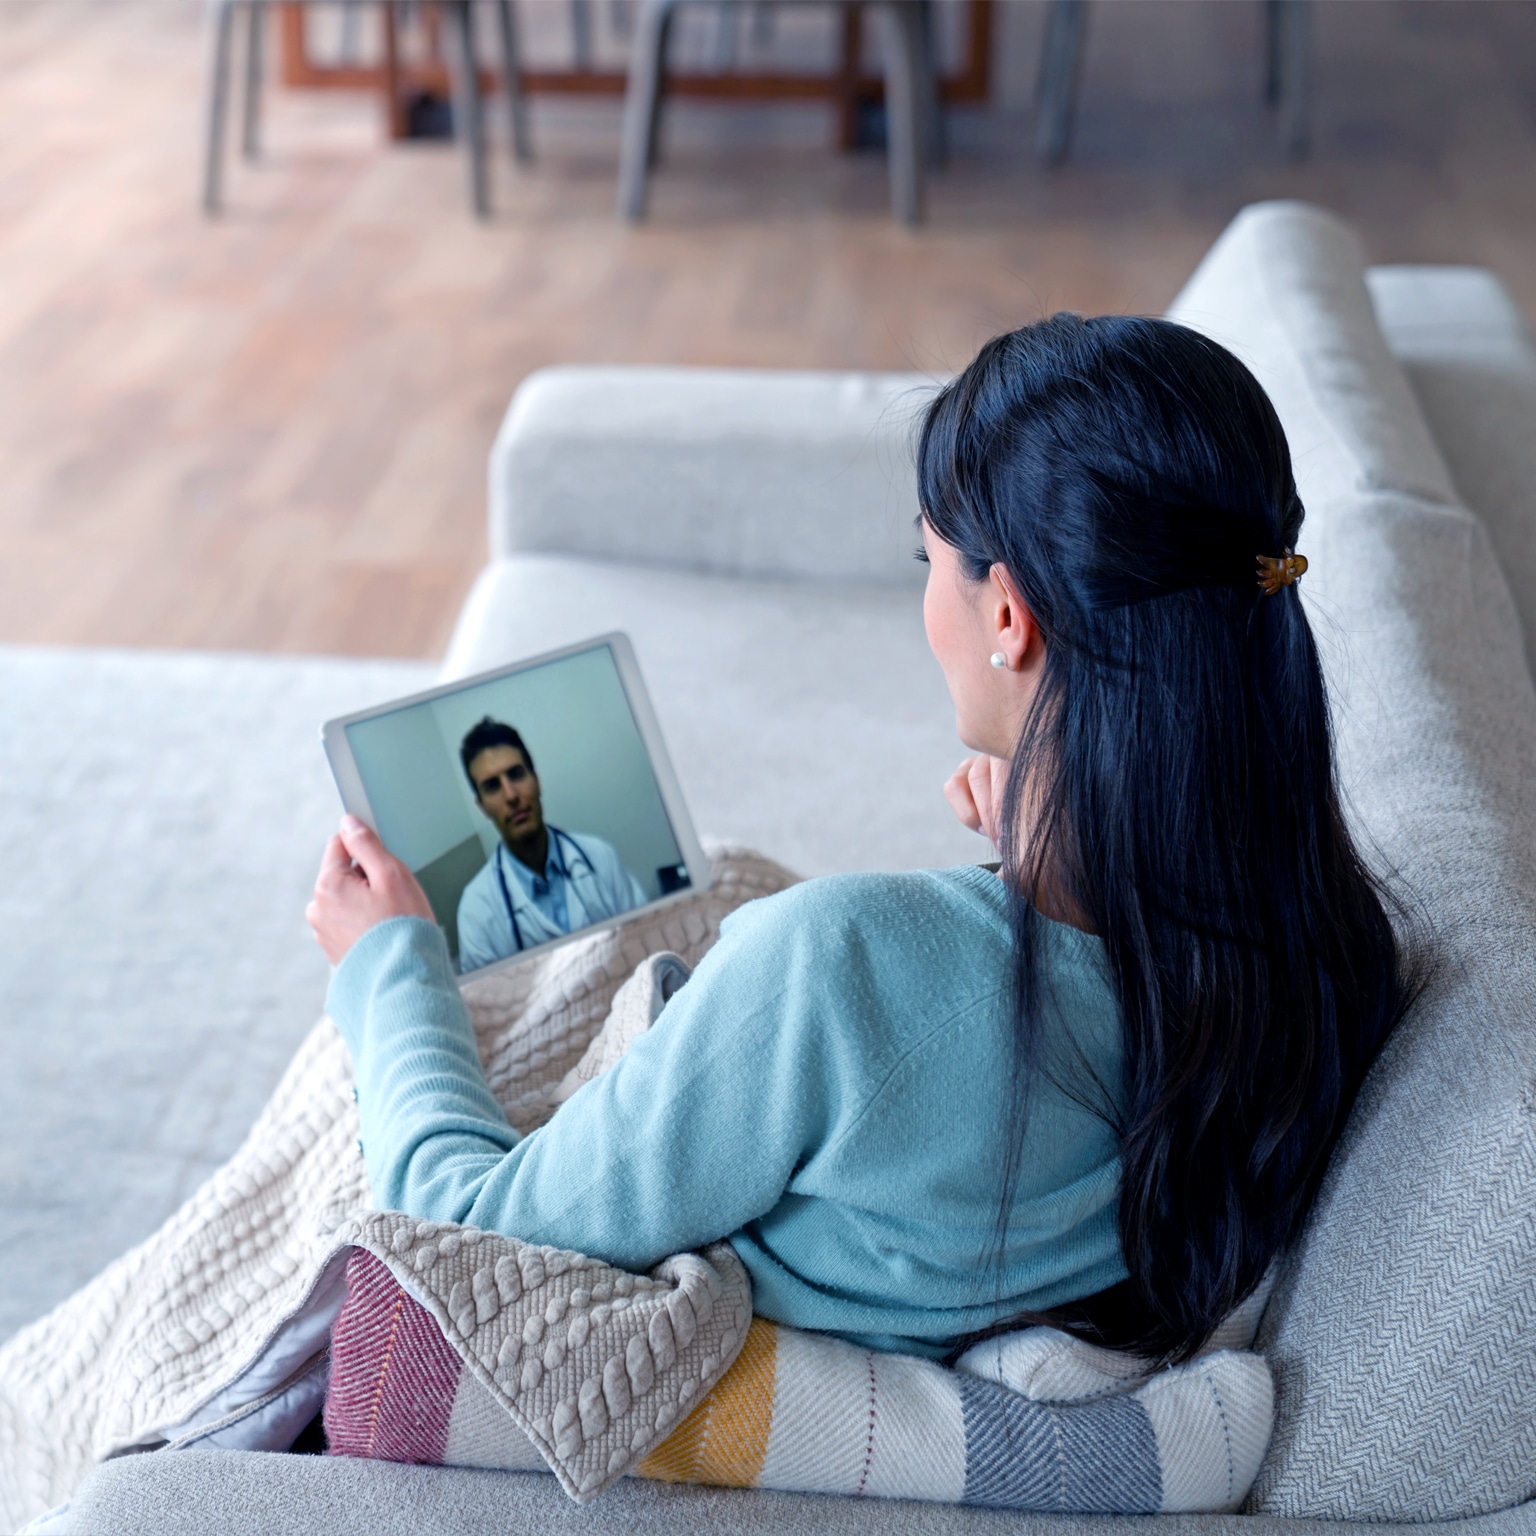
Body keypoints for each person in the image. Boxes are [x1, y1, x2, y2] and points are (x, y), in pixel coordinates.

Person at [307, 314, 1417, 1363]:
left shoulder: (837, 967)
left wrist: (387, 969)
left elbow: (461, 1232)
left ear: (1007, 619)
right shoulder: (1324, 955)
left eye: (929, 560)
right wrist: (1055, 845)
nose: (926, 595)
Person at [452, 717, 648, 972]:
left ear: (537, 780)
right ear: (482, 807)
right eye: (492, 787)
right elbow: (493, 1008)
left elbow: (649, 937)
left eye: (516, 774)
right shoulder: (476, 911)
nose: (511, 795)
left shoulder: (600, 856)